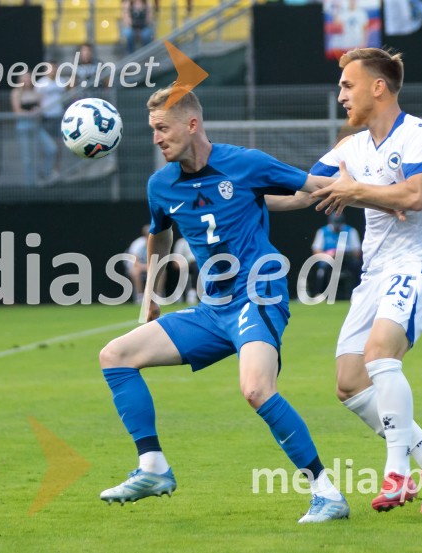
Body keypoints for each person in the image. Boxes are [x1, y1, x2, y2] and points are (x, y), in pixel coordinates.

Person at [98, 86, 349, 523]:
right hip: (213, 310)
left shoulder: (245, 163)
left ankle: (327, 493)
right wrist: (153, 295)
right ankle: (153, 466)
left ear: (192, 124)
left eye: (162, 128)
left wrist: (381, 194)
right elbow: (161, 234)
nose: (156, 138)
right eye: (152, 129)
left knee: (255, 389)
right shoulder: (160, 185)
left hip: (259, 294)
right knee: (115, 356)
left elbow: (315, 188)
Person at [308, 47, 422, 514]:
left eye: (347, 85)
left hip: (421, 264)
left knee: (378, 354)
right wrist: (242, 190)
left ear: (378, 87)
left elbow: (416, 196)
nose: (340, 95)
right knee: (349, 382)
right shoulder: (351, 148)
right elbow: (305, 189)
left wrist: (358, 191)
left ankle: (396, 475)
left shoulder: (420, 134)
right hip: (375, 273)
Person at [11, 71, 56, 187]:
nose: (26, 81)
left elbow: (41, 108)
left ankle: (44, 173)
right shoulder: (16, 93)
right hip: (23, 127)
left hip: (36, 126)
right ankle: (29, 184)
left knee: (51, 148)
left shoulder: (36, 92)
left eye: (28, 78)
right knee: (27, 158)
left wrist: (38, 111)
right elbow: (17, 111)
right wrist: (29, 113)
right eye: (24, 79)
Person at [311, 213, 362, 299]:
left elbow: (357, 252)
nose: (337, 227)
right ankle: (320, 293)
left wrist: (344, 253)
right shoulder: (323, 231)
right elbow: (316, 251)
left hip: (346, 260)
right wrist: (329, 254)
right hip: (329, 260)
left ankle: (358, 294)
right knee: (322, 269)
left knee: (357, 266)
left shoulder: (351, 231)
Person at [37, 62, 66, 178]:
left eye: (54, 68)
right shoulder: (41, 84)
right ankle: (46, 169)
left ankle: (56, 170)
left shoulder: (62, 81)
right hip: (47, 117)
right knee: (48, 146)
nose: (53, 70)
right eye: (50, 68)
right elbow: (37, 100)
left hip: (59, 116)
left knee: (59, 145)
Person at [126, 224, 151, 303]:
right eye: (147, 234)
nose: (149, 236)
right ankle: (140, 296)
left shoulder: (157, 243)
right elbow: (135, 263)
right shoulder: (137, 244)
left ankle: (156, 295)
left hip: (151, 267)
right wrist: (146, 267)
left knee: (162, 272)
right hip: (138, 267)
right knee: (136, 272)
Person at [171, 237, 198, 304]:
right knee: (194, 267)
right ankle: (189, 292)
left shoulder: (199, 240)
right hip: (186, 265)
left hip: (199, 265)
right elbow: (175, 262)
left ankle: (194, 293)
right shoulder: (181, 242)